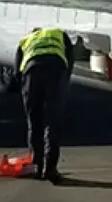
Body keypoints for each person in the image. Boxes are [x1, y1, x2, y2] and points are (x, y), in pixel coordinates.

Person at [15, 27, 75, 182]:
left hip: (32, 72)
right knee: (52, 122)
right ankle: (50, 169)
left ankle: (36, 167)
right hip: (55, 70)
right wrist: (65, 78)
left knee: (34, 122)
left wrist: (24, 87)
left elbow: (16, 69)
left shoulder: (26, 39)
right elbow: (70, 57)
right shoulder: (59, 34)